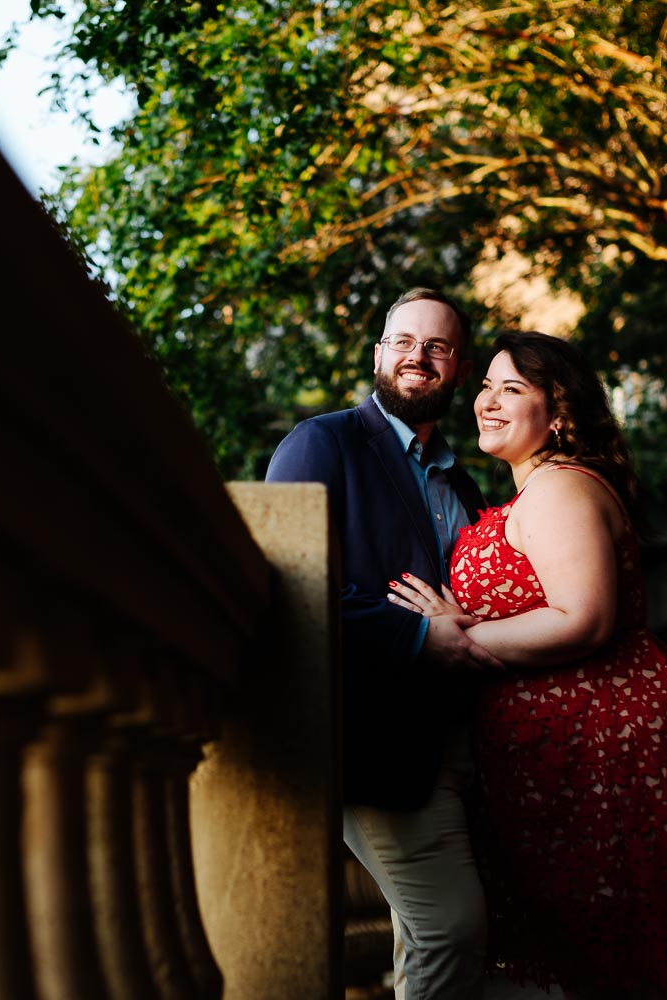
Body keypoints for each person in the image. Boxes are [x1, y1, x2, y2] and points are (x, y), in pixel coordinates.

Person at [388, 331, 667, 999]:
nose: (488, 403)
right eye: (486, 387)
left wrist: (456, 635)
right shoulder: (536, 492)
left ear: (557, 413)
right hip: (566, 750)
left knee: (622, 965)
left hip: (601, 746)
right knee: (609, 965)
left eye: (512, 390)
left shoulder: (559, 489)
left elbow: (581, 618)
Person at [266, 287, 500, 999]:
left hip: (459, 740)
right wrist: (420, 635)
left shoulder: (464, 479)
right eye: (402, 342)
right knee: (449, 928)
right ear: (378, 355)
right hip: (376, 743)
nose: (416, 358)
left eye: (436, 348)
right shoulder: (323, 441)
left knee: (422, 935)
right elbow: (290, 585)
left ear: (459, 370)